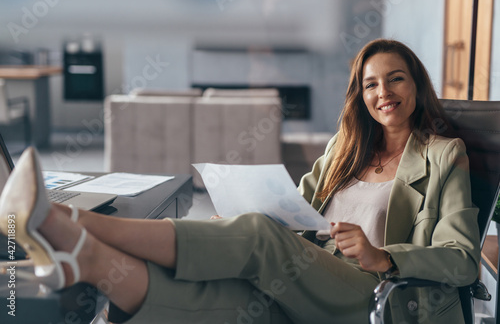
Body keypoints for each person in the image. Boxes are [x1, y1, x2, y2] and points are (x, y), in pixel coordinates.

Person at [0, 39, 480, 324]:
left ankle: (67, 220)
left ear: (416, 85)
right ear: (361, 94)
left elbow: (463, 261)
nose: (383, 93)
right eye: (371, 84)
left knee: (257, 235)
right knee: (222, 297)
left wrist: (382, 256)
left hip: (377, 298)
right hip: (308, 278)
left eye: (395, 79)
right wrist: (234, 219)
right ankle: (88, 259)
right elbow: (293, 211)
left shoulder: (443, 155)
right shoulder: (345, 147)